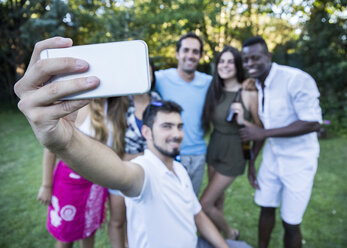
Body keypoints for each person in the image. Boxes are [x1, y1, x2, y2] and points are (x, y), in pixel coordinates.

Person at [15, 37, 237, 248]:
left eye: (179, 126)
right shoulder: (122, 109)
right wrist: (65, 142)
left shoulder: (176, 162)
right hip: (121, 163)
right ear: (147, 131)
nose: (176, 133)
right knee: (107, 222)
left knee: (93, 227)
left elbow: (196, 212)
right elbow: (123, 173)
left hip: (166, 163)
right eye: (168, 126)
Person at [240, 36, 322, 248]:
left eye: (255, 58)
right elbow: (263, 129)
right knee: (266, 208)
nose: (250, 64)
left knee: (291, 222)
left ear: (268, 56)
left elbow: (312, 123)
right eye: (245, 59)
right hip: (272, 159)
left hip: (299, 162)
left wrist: (264, 134)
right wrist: (252, 163)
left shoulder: (295, 79)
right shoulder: (258, 85)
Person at [37, 96, 128, 247]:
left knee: (88, 231)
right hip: (71, 183)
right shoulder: (79, 105)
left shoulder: (117, 106)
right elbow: (51, 148)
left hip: (97, 185)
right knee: (66, 236)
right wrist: (46, 185)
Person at [199, 46, 263, 240]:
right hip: (215, 147)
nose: (225, 65)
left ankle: (230, 233)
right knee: (217, 199)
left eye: (230, 61)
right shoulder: (215, 90)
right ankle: (215, 237)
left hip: (235, 152)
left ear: (237, 65)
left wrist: (243, 120)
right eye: (221, 61)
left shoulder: (248, 93)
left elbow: (261, 132)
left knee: (204, 204)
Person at [107, 58, 161, 248]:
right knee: (118, 220)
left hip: (150, 175)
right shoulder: (118, 104)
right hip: (120, 171)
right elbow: (112, 146)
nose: (144, 78)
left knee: (144, 220)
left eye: (149, 73)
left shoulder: (158, 102)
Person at [155, 32, 212, 196]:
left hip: (198, 155)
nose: (190, 55)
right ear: (177, 54)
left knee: (189, 203)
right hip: (169, 153)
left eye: (195, 52)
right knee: (167, 203)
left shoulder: (208, 82)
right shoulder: (160, 78)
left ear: (200, 56)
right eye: (186, 50)